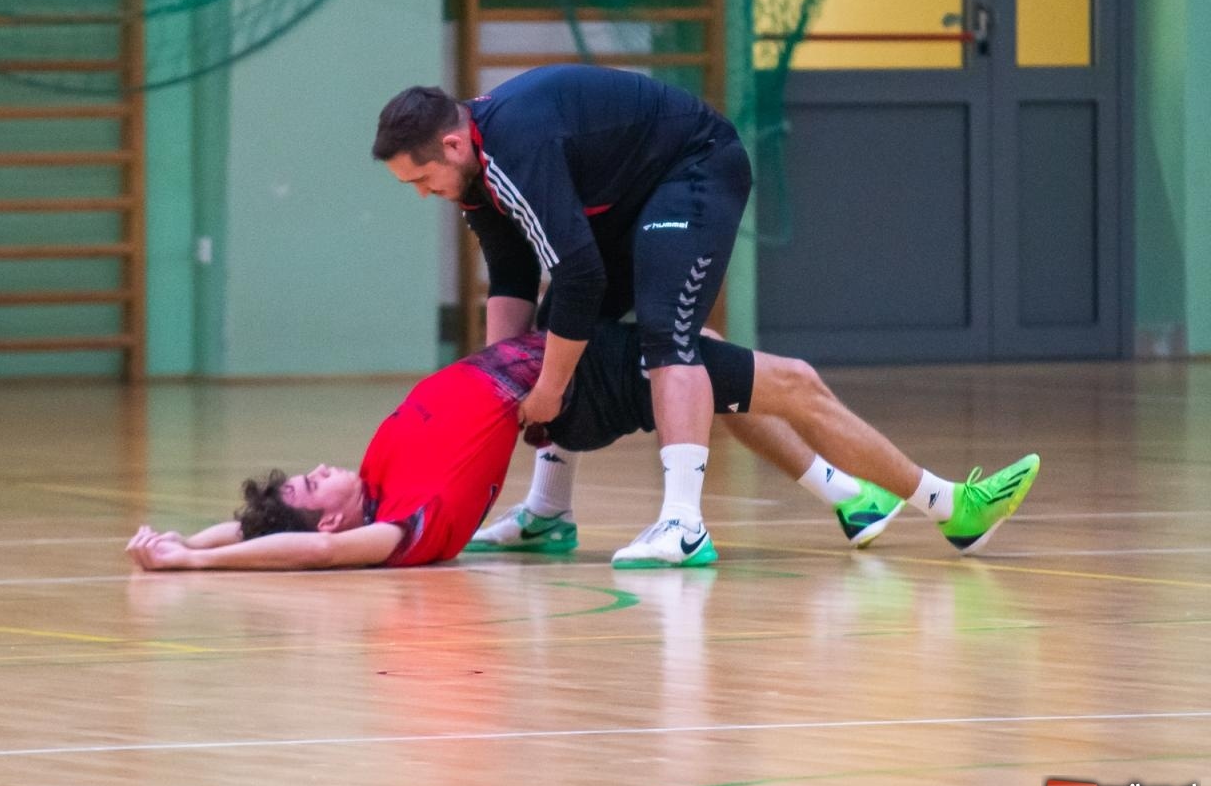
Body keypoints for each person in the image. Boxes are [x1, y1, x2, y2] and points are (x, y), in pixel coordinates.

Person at [125, 324, 1040, 572]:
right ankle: (946, 508)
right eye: (309, 484)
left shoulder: (377, 470)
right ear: (328, 514)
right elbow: (312, 551)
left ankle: (846, 496)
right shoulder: (405, 522)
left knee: (712, 382)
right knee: (790, 378)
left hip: (572, 367)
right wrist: (200, 573)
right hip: (585, 376)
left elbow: (261, 528)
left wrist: (188, 540)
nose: (316, 469)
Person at [373, 64, 752, 567]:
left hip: (694, 164)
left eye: (422, 178)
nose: (422, 192)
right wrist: (504, 380)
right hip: (629, 195)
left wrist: (548, 391)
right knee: (557, 335)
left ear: (452, 146)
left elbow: (579, 277)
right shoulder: (474, 174)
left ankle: (684, 524)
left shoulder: (514, 151)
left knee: (666, 330)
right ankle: (549, 512)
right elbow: (511, 273)